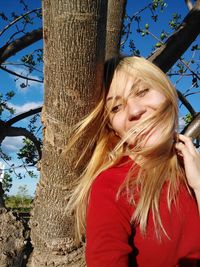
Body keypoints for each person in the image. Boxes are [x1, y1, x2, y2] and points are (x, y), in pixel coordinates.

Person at [67, 56, 200, 267]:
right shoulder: (111, 185)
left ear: (167, 91)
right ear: (112, 127)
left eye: (142, 91)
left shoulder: (193, 169)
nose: (135, 111)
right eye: (116, 108)